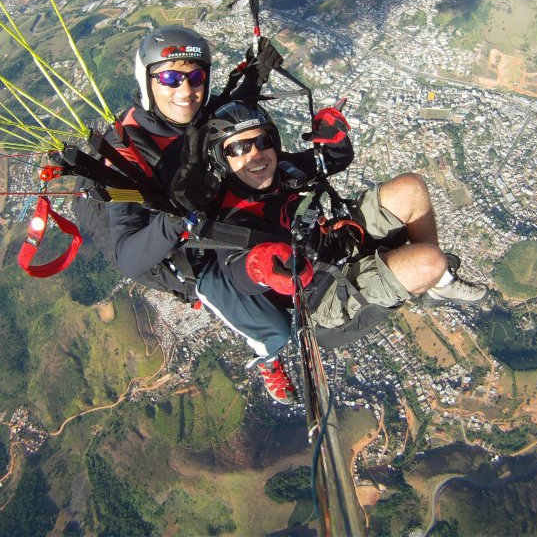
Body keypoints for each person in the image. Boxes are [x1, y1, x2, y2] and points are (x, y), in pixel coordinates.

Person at [191, 100, 487, 404]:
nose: (255, 154)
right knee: (429, 262)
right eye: (238, 148)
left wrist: (334, 137)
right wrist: (261, 266)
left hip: (339, 241)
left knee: (411, 187)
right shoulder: (233, 217)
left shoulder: (283, 170)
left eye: (262, 141)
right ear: (221, 158)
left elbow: (332, 159)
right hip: (321, 296)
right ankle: (432, 275)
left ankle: (437, 286)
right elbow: (237, 271)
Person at [73, 25, 280, 302]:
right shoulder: (127, 152)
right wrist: (176, 216)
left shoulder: (196, 111)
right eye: (170, 78)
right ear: (147, 81)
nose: (185, 91)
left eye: (196, 77)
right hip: (180, 252)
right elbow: (127, 257)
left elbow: (220, 116)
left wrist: (254, 78)